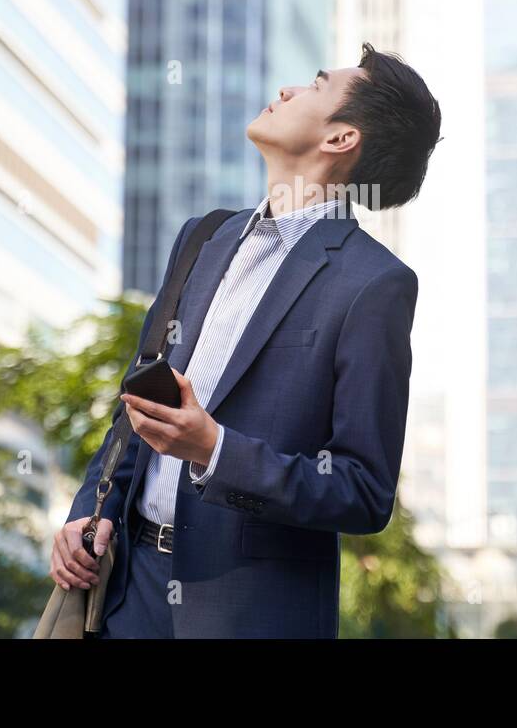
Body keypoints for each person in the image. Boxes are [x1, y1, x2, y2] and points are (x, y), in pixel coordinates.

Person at [51, 42, 441, 637]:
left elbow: (364, 491)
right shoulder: (202, 238)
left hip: (248, 612)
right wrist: (88, 515)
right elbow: (135, 412)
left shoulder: (374, 285)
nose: (287, 90)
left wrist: (215, 450)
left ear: (341, 139)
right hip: (129, 595)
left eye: (314, 86)